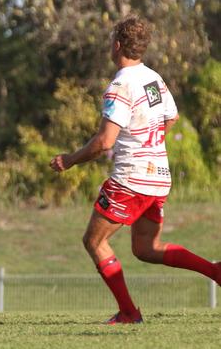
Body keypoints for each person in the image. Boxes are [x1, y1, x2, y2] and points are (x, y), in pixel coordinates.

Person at [50, 16, 220, 324]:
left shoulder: (120, 86)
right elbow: (171, 117)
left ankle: (129, 313)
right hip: (158, 178)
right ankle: (215, 271)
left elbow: (104, 142)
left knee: (94, 241)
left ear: (116, 46)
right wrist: (149, 143)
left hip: (131, 179)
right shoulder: (154, 79)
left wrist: (70, 159)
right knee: (146, 248)